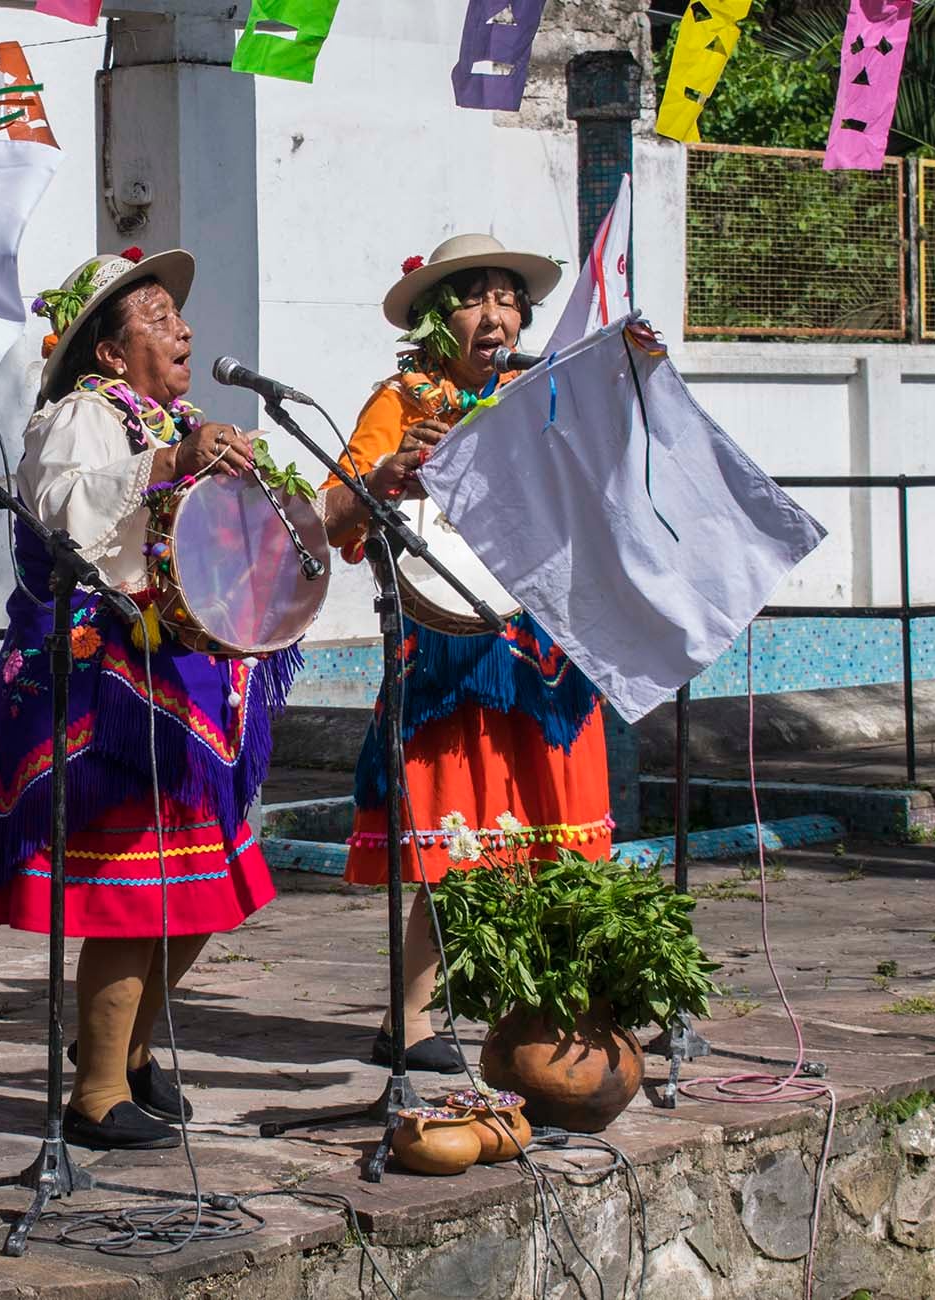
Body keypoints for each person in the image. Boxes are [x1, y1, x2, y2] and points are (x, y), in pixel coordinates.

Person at [0, 248, 300, 1151]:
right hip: (102, 689)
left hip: (180, 686)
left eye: (177, 315)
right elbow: (66, 510)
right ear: (108, 354)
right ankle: (99, 1089)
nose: (184, 328)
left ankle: (132, 1049)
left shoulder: (177, 421)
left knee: (206, 885)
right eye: (156, 316)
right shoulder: (77, 416)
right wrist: (170, 460)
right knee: (135, 887)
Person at [320, 234, 612, 1074]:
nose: (499, 315)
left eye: (510, 299)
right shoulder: (401, 400)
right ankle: (409, 1021)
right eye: (477, 298)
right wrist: (393, 472)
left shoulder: (539, 393)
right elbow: (337, 517)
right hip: (448, 649)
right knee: (458, 830)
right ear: (436, 318)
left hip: (542, 643)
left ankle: (542, 1014)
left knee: (550, 834)